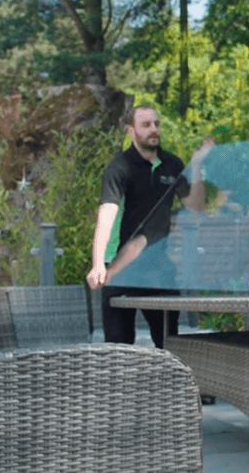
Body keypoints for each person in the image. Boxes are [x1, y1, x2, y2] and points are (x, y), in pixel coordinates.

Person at [86, 104, 213, 348]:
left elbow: (196, 209)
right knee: (119, 349)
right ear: (130, 131)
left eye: (156, 124)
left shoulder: (172, 164)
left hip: (158, 268)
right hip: (120, 269)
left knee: (169, 345)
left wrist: (196, 166)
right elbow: (107, 213)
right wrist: (97, 263)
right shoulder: (119, 168)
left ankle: (171, 386)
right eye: (146, 125)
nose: (154, 129)